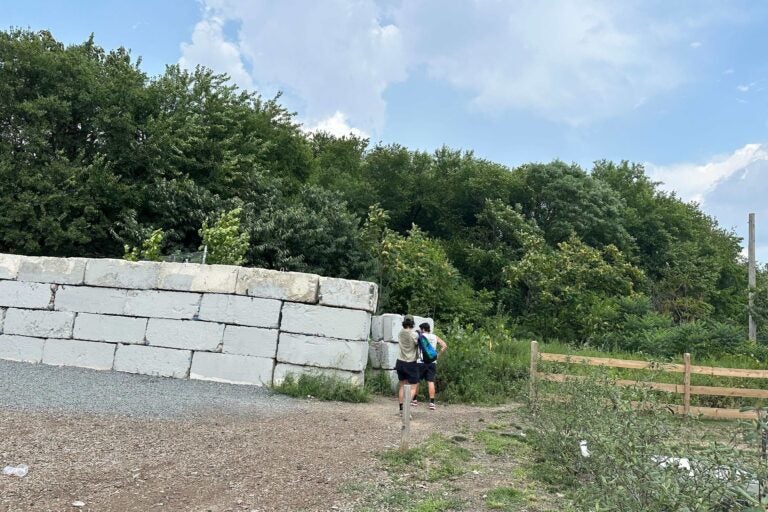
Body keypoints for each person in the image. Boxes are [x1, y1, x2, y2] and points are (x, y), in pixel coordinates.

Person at [416, 322, 447, 410]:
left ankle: (414, 400)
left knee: (417, 381)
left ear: (422, 329)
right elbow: (444, 346)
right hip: (432, 362)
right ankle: (432, 403)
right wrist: (437, 355)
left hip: (420, 362)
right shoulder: (435, 337)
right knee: (430, 381)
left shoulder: (420, 337)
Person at [395, 314, 419, 416]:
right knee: (413, 387)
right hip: (411, 363)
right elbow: (418, 344)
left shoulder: (400, 333)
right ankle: (406, 410)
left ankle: (401, 410)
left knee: (402, 386)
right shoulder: (414, 334)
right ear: (412, 323)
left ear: (404, 322)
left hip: (400, 362)